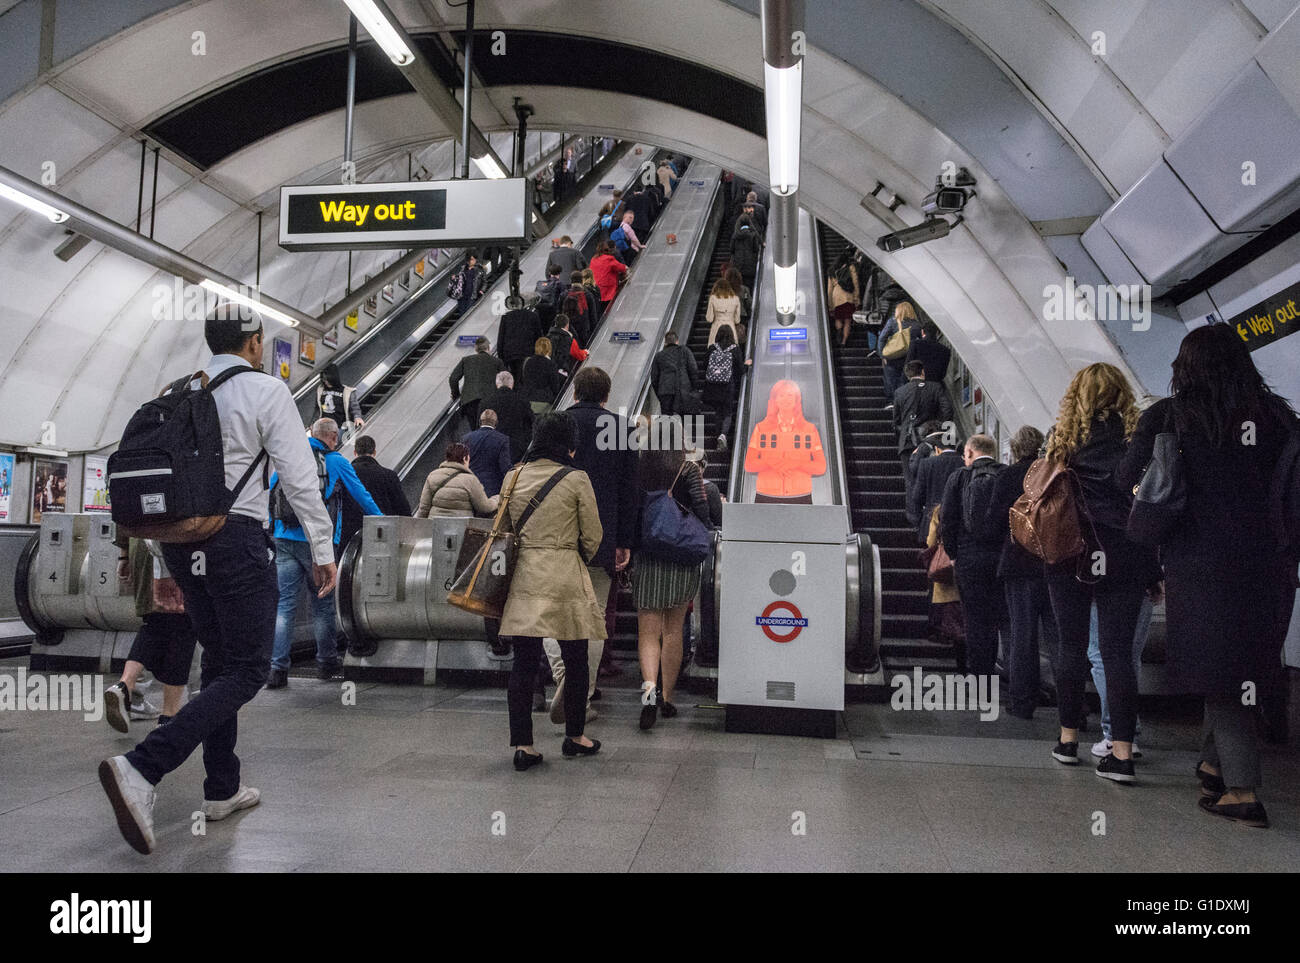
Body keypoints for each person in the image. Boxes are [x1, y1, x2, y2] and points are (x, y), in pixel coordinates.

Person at [99, 309, 338, 855]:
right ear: (255, 343)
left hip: (182, 545)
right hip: (236, 541)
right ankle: (142, 767)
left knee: (219, 661)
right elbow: (299, 476)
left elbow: (158, 484)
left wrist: (162, 565)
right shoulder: (265, 390)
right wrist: (322, 550)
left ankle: (222, 786)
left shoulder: (181, 389)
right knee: (250, 669)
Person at [1117, 324, 1296, 825]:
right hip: (1272, 566)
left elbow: (1125, 477)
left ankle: (1243, 791)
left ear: (1184, 367)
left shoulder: (1170, 417)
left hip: (1201, 565)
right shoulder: (1279, 419)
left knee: (1221, 677)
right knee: (1243, 668)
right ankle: (1214, 765)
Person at [1041, 362, 1159, 782]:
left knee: (1070, 646)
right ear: (1121, 396)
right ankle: (1122, 754)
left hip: (1071, 551)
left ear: (1078, 396)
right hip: (1126, 553)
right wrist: (1154, 569)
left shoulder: (1061, 442)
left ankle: (1068, 740)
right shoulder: (1136, 441)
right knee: (1118, 655)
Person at [501, 412, 606, 770]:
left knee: (524, 664)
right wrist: (577, 554)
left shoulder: (512, 477)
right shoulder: (577, 478)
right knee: (576, 661)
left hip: (524, 577)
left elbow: (502, 531)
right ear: (568, 443)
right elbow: (592, 535)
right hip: (564, 576)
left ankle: (523, 745)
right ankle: (575, 736)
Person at [549, 368, 640, 723]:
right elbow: (629, 491)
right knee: (595, 617)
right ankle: (580, 695)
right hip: (602, 538)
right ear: (606, 396)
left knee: (552, 614)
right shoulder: (622, 429)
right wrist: (625, 542)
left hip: (556, 536)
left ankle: (563, 679)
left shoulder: (554, 424)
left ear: (574, 392)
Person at [268, 417, 382, 688]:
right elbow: (361, 495)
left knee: (284, 606)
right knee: (323, 605)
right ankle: (327, 662)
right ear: (332, 437)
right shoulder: (336, 461)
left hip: (284, 538)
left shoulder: (288, 457)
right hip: (317, 542)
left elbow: (270, 491)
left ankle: (277, 669)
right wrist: (382, 519)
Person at [633, 441, 712, 730]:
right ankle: (667, 698)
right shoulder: (688, 470)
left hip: (650, 556)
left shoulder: (641, 470)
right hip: (681, 555)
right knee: (673, 630)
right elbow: (703, 510)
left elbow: (634, 510)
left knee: (648, 632)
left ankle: (649, 689)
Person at [983, 425, 1054, 719]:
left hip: (1019, 564)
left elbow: (992, 523)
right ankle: (1073, 704)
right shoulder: (1054, 474)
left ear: (1014, 449)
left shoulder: (1008, 476)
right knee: (1060, 637)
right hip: (1054, 564)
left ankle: (1023, 702)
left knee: (1022, 636)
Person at [104, 537, 197, 731]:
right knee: (184, 625)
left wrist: (124, 555)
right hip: (173, 546)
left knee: (155, 621)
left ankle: (125, 685)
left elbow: (122, 514)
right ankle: (168, 716)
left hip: (140, 546)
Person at [939, 434, 1006, 677]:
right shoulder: (1006, 475)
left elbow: (947, 520)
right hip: (1001, 558)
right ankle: (1008, 675)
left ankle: (980, 680)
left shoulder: (958, 477)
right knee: (998, 620)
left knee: (975, 621)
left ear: (968, 452)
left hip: (968, 558)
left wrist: (953, 554)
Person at [743, 380, 827, 504]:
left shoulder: (809, 429)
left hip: (801, 494)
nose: (786, 399)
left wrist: (796, 463)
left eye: (790, 395)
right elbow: (749, 465)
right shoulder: (761, 428)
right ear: (775, 400)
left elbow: (821, 467)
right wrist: (770, 462)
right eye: (781, 395)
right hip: (766, 494)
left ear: (797, 400)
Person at [338, 434, 411, 552]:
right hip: (380, 534)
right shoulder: (389, 475)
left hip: (349, 537)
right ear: (374, 452)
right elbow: (403, 508)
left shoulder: (345, 476)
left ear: (355, 452)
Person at [893, 360, 953, 492]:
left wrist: (903, 434)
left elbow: (896, 421)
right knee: (933, 480)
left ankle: (913, 512)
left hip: (907, 442)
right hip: (931, 440)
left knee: (910, 483)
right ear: (923, 372)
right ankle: (932, 511)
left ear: (908, 375)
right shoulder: (935, 387)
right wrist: (939, 428)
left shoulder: (900, 392)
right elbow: (948, 409)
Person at [414, 442, 499, 518]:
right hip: (461, 528)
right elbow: (484, 507)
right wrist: (497, 499)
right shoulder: (470, 480)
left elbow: (424, 508)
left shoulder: (433, 475)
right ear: (465, 458)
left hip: (434, 527)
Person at [908, 429, 964, 543]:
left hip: (930, 522)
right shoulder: (964, 464)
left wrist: (919, 520)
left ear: (937, 449)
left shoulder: (926, 463)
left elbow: (917, 496)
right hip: (957, 523)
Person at [703, 324, 749, 450]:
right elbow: (740, 370)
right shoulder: (735, 349)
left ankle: (718, 436)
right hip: (728, 385)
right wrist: (747, 364)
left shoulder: (712, 348)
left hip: (713, 386)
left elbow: (704, 364)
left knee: (718, 412)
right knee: (728, 412)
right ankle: (723, 435)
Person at [448, 335, 505, 435]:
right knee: (491, 430)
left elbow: (453, 378)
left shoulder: (466, 360)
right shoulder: (497, 362)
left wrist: (456, 395)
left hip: (470, 401)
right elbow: (505, 380)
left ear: (476, 349)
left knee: (475, 430)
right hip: (490, 401)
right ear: (488, 348)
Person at [479, 370, 535, 462]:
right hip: (516, 448)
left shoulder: (486, 402)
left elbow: (479, 426)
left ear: (497, 384)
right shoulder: (521, 400)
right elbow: (531, 422)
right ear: (512, 384)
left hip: (493, 446)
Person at [464, 408, 514, 497]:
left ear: (480, 422)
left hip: (469, 486)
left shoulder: (466, 438)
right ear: (496, 423)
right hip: (492, 490)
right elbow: (505, 467)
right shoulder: (502, 439)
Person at [879, 302, 922, 404]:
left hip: (892, 357)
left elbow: (881, 338)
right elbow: (920, 343)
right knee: (904, 380)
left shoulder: (892, 322)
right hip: (908, 358)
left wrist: (882, 355)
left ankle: (891, 402)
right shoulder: (917, 325)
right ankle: (903, 402)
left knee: (890, 380)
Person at [496, 294, 544, 383]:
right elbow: (539, 337)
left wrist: (501, 359)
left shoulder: (506, 317)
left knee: (514, 379)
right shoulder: (533, 316)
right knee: (526, 379)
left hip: (510, 355)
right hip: (528, 354)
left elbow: (500, 340)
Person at [650, 331, 699, 417]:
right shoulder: (685, 351)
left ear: (665, 343)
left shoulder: (659, 356)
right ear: (677, 341)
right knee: (685, 417)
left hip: (665, 392)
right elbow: (693, 369)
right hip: (683, 390)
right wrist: (694, 388)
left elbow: (654, 378)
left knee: (668, 421)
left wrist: (660, 393)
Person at [317, 363, 363, 436]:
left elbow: (354, 407)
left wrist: (357, 417)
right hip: (323, 427)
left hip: (339, 427)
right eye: (323, 379)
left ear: (333, 377)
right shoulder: (321, 390)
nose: (325, 381)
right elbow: (317, 408)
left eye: (327, 379)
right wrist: (313, 423)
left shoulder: (346, 391)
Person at [827, 248, 860, 347]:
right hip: (848, 297)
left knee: (838, 318)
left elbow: (829, 289)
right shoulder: (851, 268)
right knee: (847, 320)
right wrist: (857, 299)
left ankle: (839, 330)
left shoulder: (832, 270)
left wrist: (830, 305)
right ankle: (844, 341)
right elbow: (855, 283)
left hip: (836, 297)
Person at [521, 337, 564, 414]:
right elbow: (555, 387)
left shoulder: (528, 362)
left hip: (528, 400)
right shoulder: (550, 364)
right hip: (544, 401)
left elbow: (524, 380)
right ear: (549, 349)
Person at [590, 240, 629, 313]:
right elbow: (621, 268)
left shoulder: (593, 259)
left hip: (597, 288)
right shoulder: (608, 259)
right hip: (608, 289)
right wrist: (626, 268)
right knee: (610, 309)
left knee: (601, 310)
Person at [705, 276, 742, 347]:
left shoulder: (713, 298)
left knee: (714, 349)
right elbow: (737, 320)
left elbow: (709, 319)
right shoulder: (736, 299)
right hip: (731, 328)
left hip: (716, 328)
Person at [729, 214, 762, 290]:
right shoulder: (753, 235)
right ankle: (749, 299)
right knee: (748, 287)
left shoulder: (735, 235)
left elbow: (731, 249)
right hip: (750, 266)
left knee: (738, 287)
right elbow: (756, 249)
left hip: (738, 266)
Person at [449, 253, 486, 318]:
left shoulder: (480, 269)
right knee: (462, 315)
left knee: (468, 314)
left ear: (475, 259)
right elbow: (459, 279)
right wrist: (454, 278)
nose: (470, 261)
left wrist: (482, 290)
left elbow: (484, 282)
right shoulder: (463, 269)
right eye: (469, 259)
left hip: (472, 295)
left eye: (472, 259)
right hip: (461, 296)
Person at [562, 274, 593, 348]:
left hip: (569, 327)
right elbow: (593, 314)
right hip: (584, 328)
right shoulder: (588, 294)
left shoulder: (564, 294)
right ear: (581, 281)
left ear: (571, 281)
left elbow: (559, 312)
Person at [533, 263, 567, 329]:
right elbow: (565, 297)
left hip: (540, 312)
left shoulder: (540, 284)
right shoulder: (559, 284)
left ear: (549, 273)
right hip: (553, 313)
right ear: (559, 273)